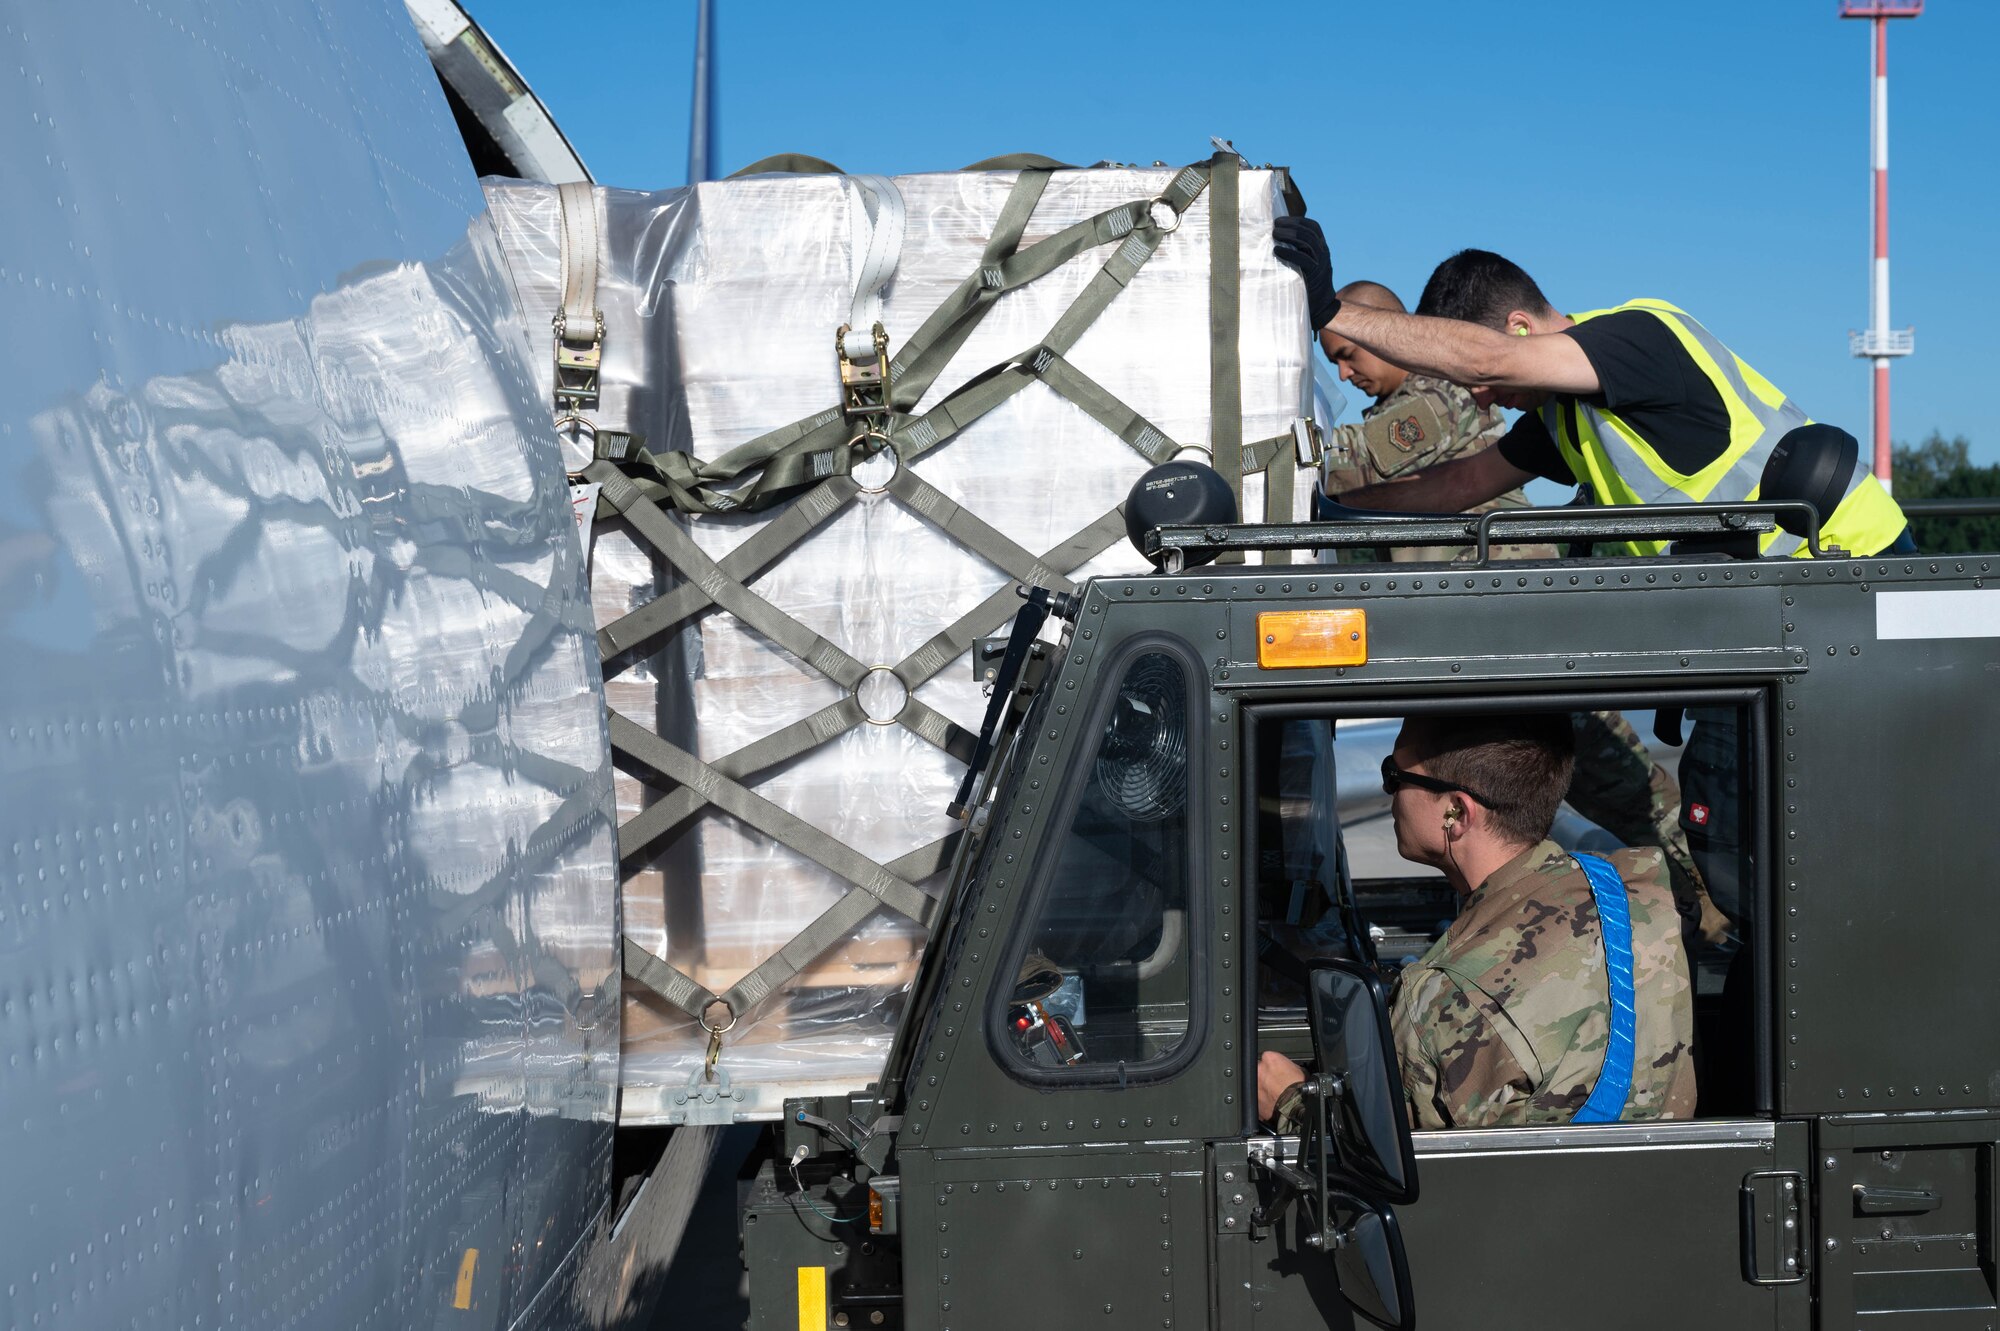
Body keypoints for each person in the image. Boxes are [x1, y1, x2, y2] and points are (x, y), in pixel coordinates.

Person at [1271, 223, 1915, 559]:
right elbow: (1456, 486)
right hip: (1761, 591)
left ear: (1520, 330)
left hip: (1841, 565)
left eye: (1485, 381)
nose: (1483, 398)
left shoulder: (1636, 337)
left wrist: (1331, 310)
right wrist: (1328, 514)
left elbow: (1487, 360)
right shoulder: (1565, 420)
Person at [1256, 713, 1696, 1131]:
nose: (1388, 791)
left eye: (1395, 775)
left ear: (1456, 813)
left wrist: (1290, 1101)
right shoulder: (1642, 891)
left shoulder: (1441, 998)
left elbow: (1382, 1164)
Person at [1317, 280, 1549, 564]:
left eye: (1348, 356)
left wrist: (1270, 453)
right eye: (1334, 363)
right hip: (1456, 582)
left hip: (1497, 574)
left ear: (1383, 334)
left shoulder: (1446, 389)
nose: (1344, 373)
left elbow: (1353, 459)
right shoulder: (1394, 404)